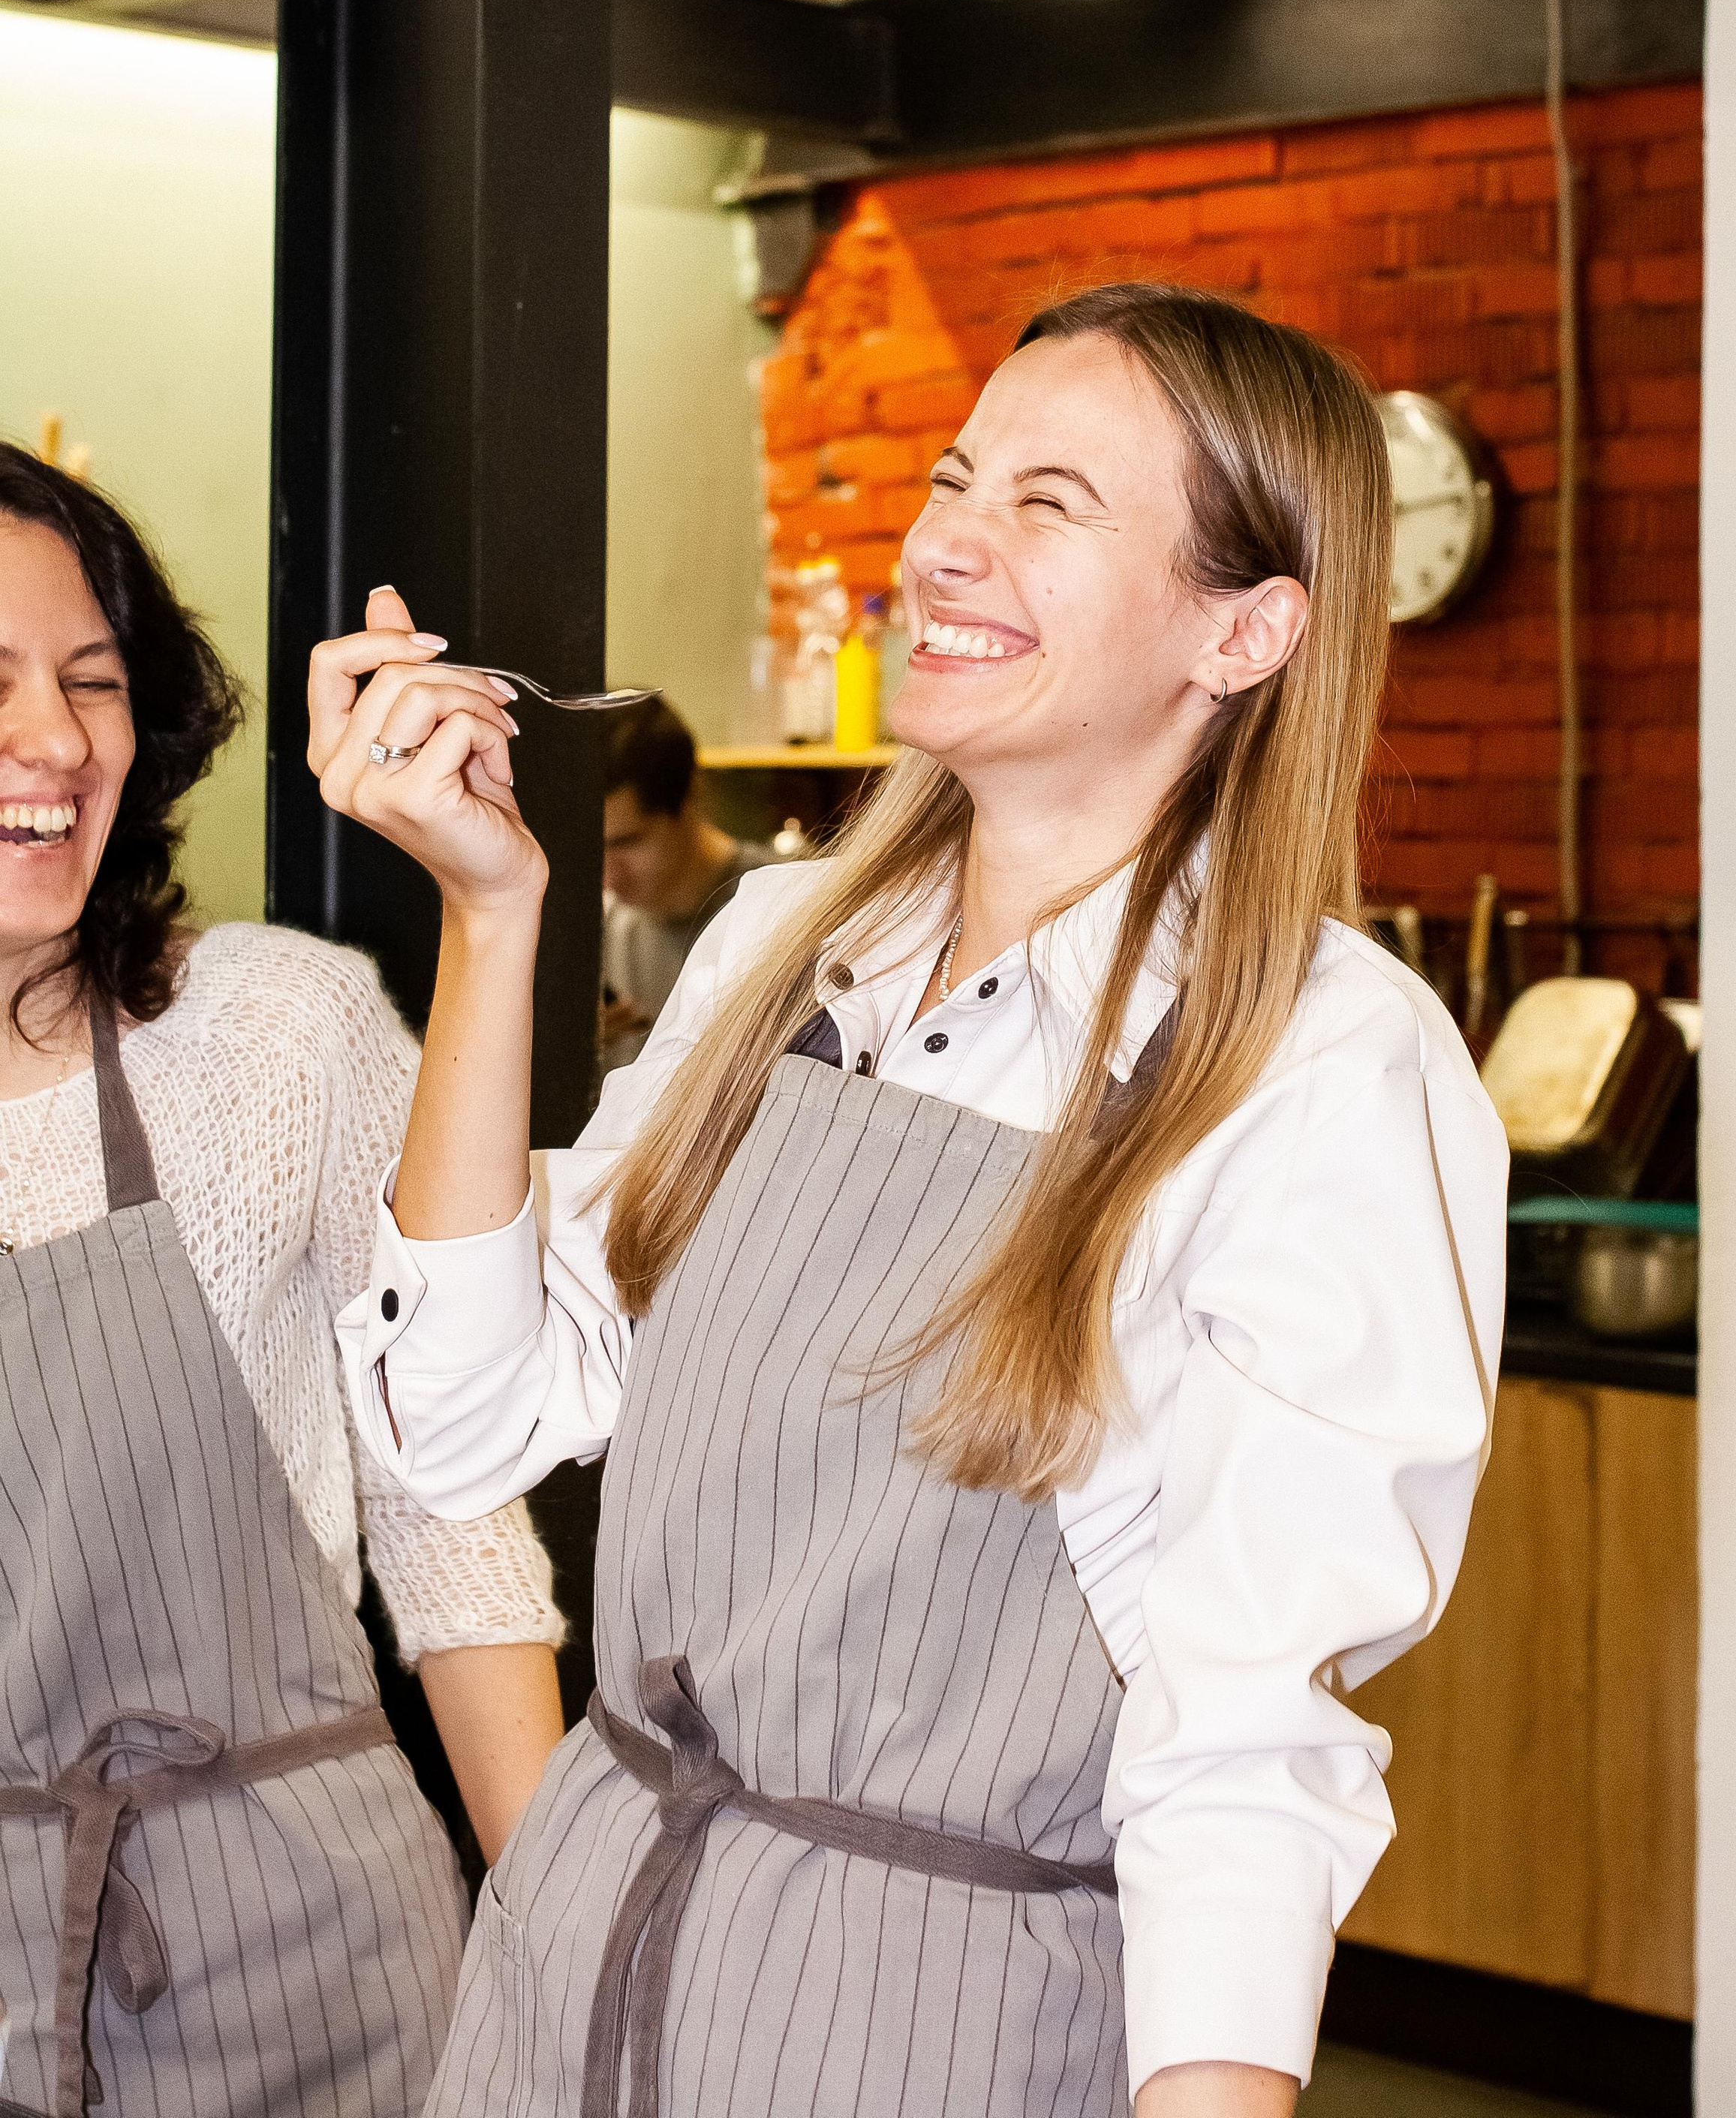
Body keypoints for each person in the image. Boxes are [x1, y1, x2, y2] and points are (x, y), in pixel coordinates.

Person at [323, 281, 1508, 2118]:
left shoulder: (1320, 1065)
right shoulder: (782, 948)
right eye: (956, 478)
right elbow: (461, 1413)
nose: (944, 539)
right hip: (572, 1974)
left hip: (939, 2028)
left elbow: (1242, 1748)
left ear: (1245, 628)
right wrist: (489, 912)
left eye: (1050, 500)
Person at [0, 444, 567, 2118]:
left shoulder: (275, 1032)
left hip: (323, 1969)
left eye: (92, 682)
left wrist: (562, 1944)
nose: (54, 741)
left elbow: (449, 1515)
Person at [600, 699, 774, 1070]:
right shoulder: (605, 928)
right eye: (592, 850)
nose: (608, 876)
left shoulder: (783, 909)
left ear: (692, 796)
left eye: (627, 842)